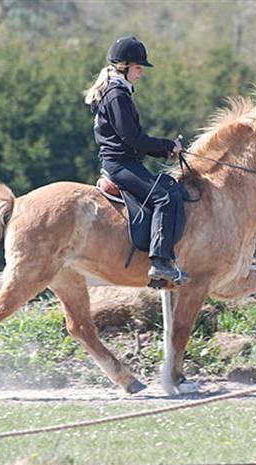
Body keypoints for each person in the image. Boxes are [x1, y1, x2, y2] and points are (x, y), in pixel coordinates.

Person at [84, 36, 189, 285]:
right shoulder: (117, 95)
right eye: (138, 68)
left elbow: (134, 140)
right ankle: (161, 263)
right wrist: (167, 146)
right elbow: (133, 139)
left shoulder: (118, 92)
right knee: (164, 197)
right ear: (123, 66)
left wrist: (165, 149)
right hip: (120, 165)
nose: (141, 73)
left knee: (169, 190)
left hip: (126, 163)